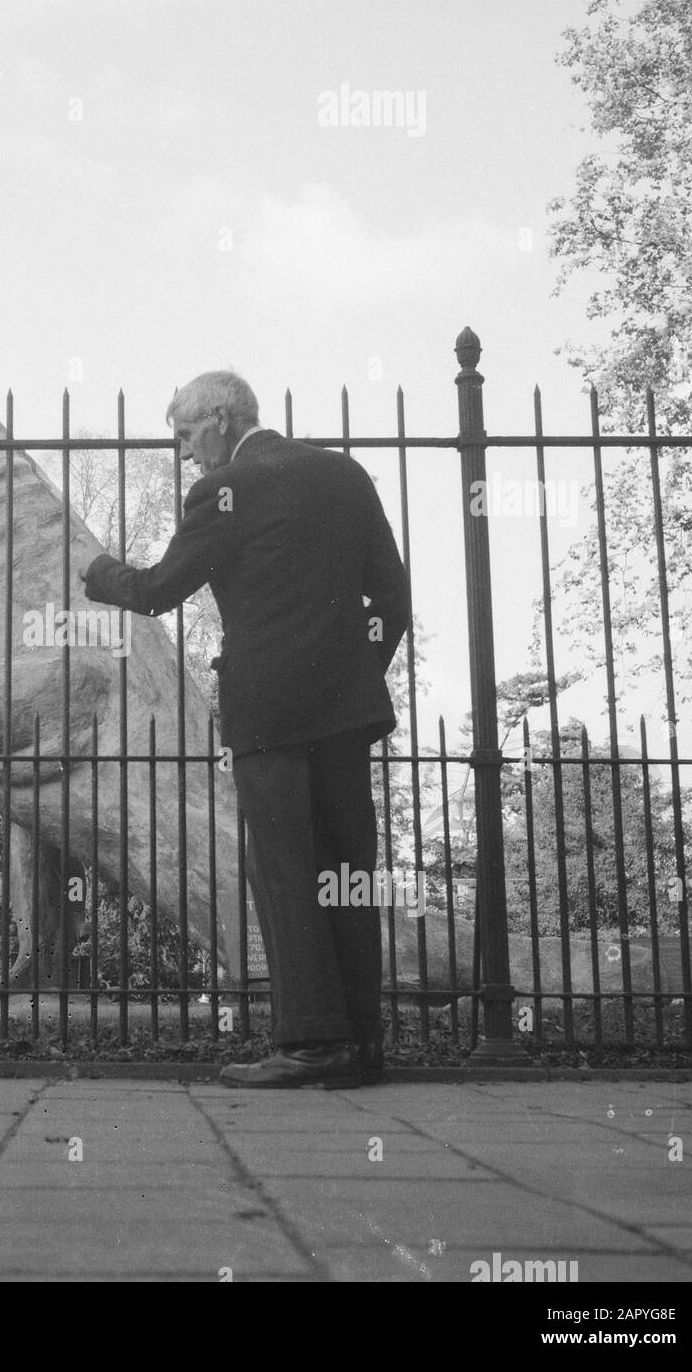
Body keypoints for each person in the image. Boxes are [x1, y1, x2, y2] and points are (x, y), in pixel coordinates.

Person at [80, 371, 410, 1088]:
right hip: (345, 711)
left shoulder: (227, 490)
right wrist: (351, 670)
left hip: (270, 716)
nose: (185, 454)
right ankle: (361, 1044)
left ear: (221, 420)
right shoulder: (342, 474)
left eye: (186, 435)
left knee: (285, 871)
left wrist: (97, 570)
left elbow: (158, 590)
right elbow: (391, 594)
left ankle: (310, 1044)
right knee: (346, 872)